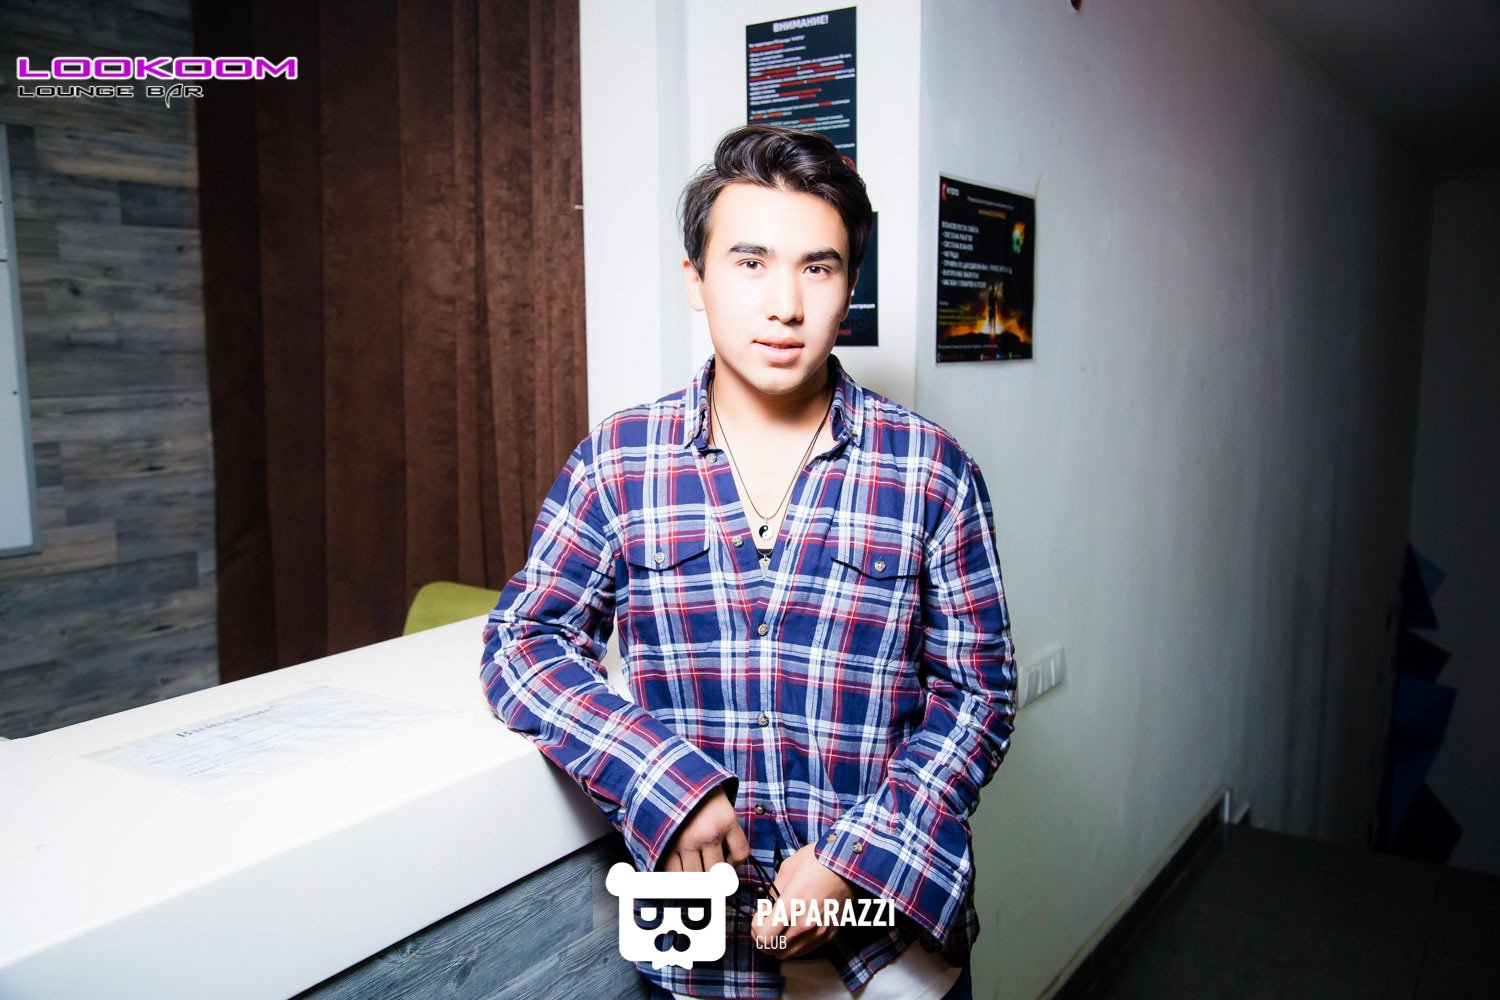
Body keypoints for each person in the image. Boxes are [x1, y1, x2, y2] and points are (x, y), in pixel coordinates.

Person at [480, 124, 1016, 1000]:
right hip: (702, 961)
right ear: (696, 281)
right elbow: (524, 641)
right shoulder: (620, 461)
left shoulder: (932, 470)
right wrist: (664, 780)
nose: (785, 305)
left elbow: (979, 696)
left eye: (818, 268)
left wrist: (859, 858)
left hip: (887, 953)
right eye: (750, 262)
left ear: (849, 288)